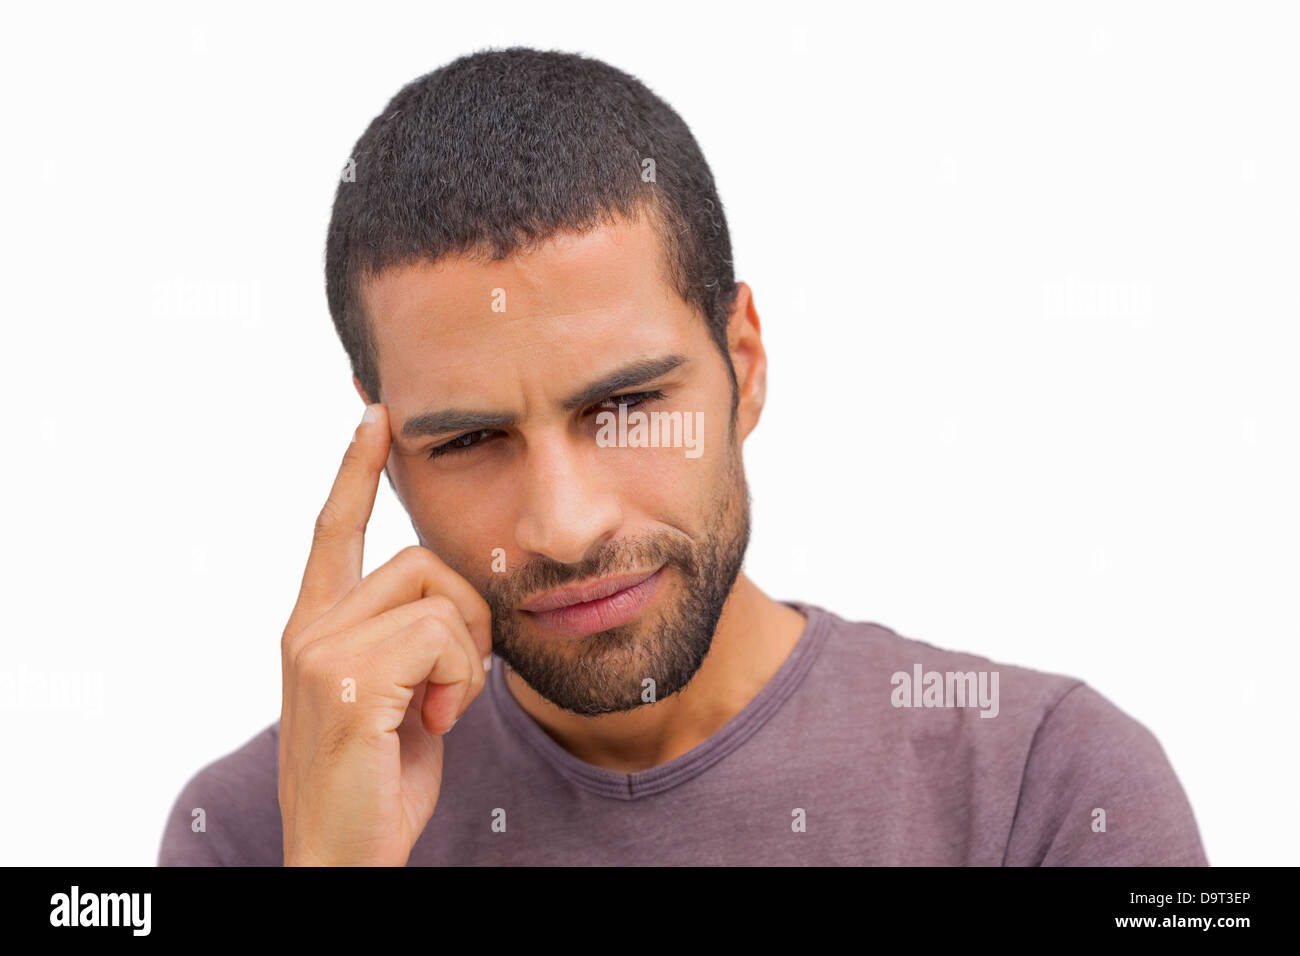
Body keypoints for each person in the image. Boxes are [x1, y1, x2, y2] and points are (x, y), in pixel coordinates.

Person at [159, 46, 1207, 866]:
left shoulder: (1048, 779)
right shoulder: (260, 823)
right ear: (381, 446)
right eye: (471, 440)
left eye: (624, 404)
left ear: (742, 362)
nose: (565, 524)